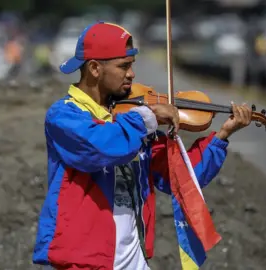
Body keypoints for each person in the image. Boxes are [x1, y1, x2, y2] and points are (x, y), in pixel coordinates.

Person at [32, 21, 252, 270]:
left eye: (132, 65)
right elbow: (101, 148)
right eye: (123, 66)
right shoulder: (64, 116)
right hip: (82, 263)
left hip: (134, 262)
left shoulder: (132, 122)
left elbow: (181, 178)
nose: (132, 74)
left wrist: (221, 136)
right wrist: (147, 118)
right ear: (94, 68)